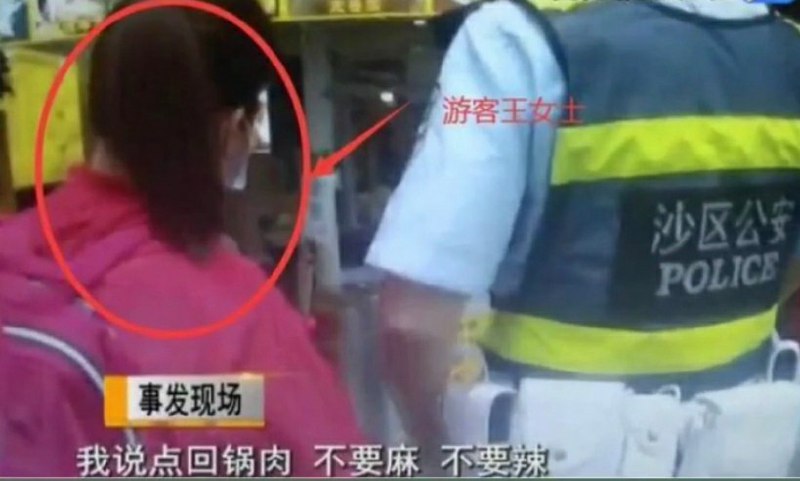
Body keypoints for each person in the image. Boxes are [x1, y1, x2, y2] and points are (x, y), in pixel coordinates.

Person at [367, 0, 800, 473]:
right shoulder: (786, 52)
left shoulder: (521, 37)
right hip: (749, 451)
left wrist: (432, 445)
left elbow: (413, 320)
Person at [0, 0, 364, 476]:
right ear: (234, 128)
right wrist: (304, 373)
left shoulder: (13, 249)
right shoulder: (232, 315)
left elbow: (132, 401)